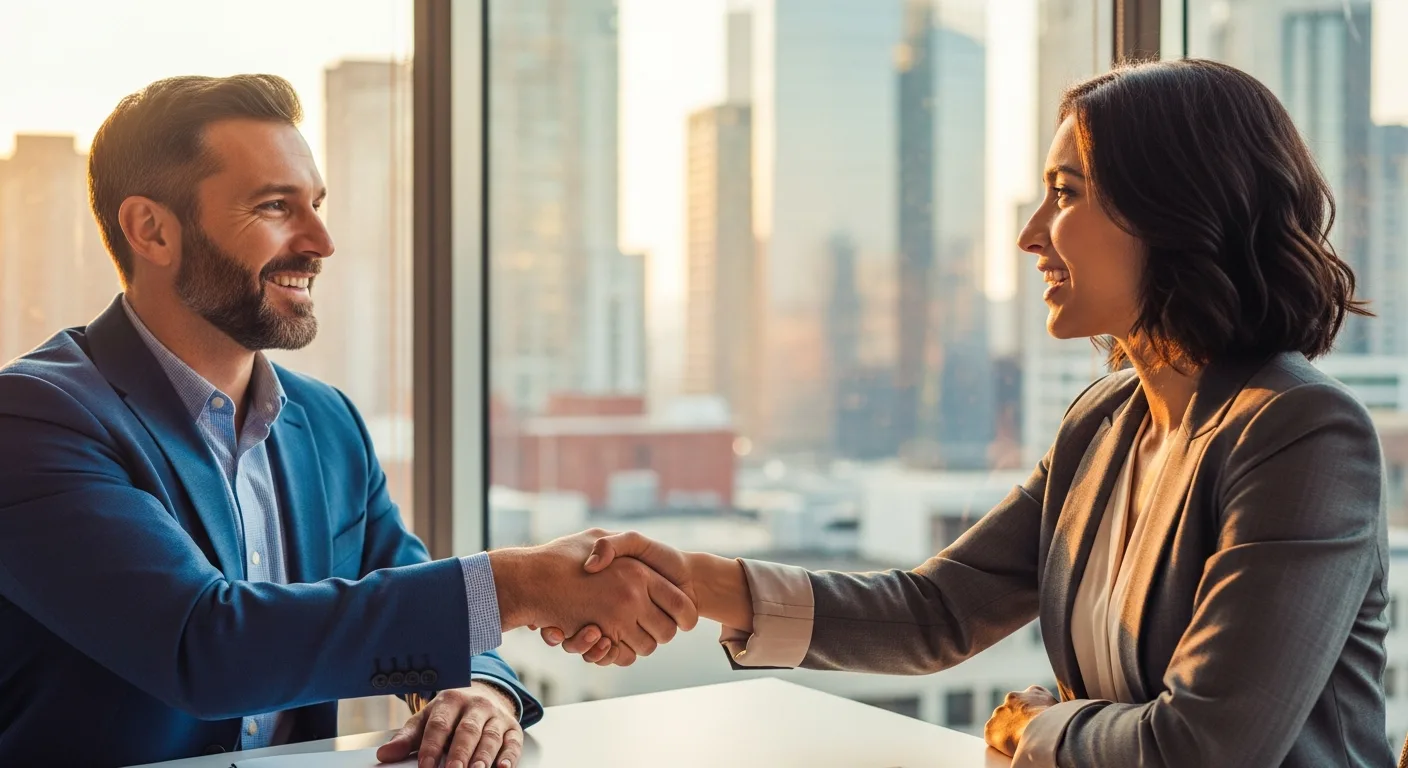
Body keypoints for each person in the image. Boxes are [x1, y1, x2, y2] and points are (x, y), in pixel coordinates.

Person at [542, 59, 1394, 767]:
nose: (1030, 235)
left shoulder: (1303, 435)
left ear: (1177, 209)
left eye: (1065, 193)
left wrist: (1039, 729)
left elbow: (1210, 747)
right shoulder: (1101, 424)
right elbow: (939, 611)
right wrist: (696, 582)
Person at [0, 75, 695, 768]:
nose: (321, 241)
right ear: (151, 230)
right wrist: (523, 584)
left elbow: (414, 597)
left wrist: (478, 688)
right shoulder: (32, 419)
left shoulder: (327, 423)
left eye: (317, 205)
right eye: (276, 206)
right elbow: (202, 646)